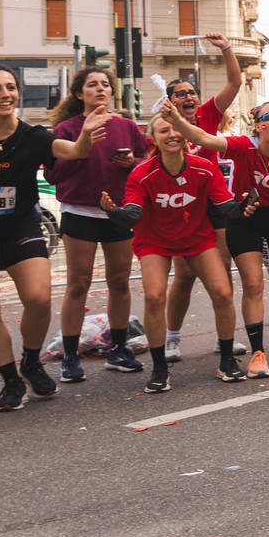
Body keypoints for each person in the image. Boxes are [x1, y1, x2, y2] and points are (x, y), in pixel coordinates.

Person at [0, 64, 108, 411]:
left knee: (39, 298)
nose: (5, 94)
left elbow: (74, 151)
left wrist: (86, 135)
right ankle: (10, 380)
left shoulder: (33, 136)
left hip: (20, 226)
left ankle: (31, 361)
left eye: (11, 87)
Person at [163, 99, 269, 378]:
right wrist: (176, 121)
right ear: (258, 126)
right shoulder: (244, 146)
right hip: (245, 218)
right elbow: (204, 138)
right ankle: (258, 353)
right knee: (253, 284)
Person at [100, 111, 242, 391]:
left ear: (186, 133)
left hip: (197, 238)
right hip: (154, 241)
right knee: (154, 296)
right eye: (164, 130)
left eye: (176, 128)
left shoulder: (204, 168)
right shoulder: (141, 173)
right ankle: (159, 369)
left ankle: (227, 360)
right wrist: (114, 212)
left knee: (223, 292)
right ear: (153, 139)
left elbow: (226, 206)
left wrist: (246, 205)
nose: (172, 134)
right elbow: (132, 213)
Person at [46, 68, 148, 382]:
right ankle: (70, 356)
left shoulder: (127, 126)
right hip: (80, 212)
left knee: (120, 282)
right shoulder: (66, 129)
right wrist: (82, 148)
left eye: (105, 84)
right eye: (92, 85)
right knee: (78, 284)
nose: (100, 89)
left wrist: (131, 163)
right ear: (80, 93)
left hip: (117, 212)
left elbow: (145, 163)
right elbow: (52, 174)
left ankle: (118, 349)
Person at [160, 33, 247, 363]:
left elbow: (235, 82)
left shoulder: (209, 114)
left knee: (222, 269)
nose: (189, 97)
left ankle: (225, 337)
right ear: (170, 102)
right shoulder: (164, 126)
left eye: (192, 92)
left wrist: (225, 48)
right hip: (182, 205)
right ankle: (172, 338)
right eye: (181, 94)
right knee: (184, 275)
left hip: (215, 202)